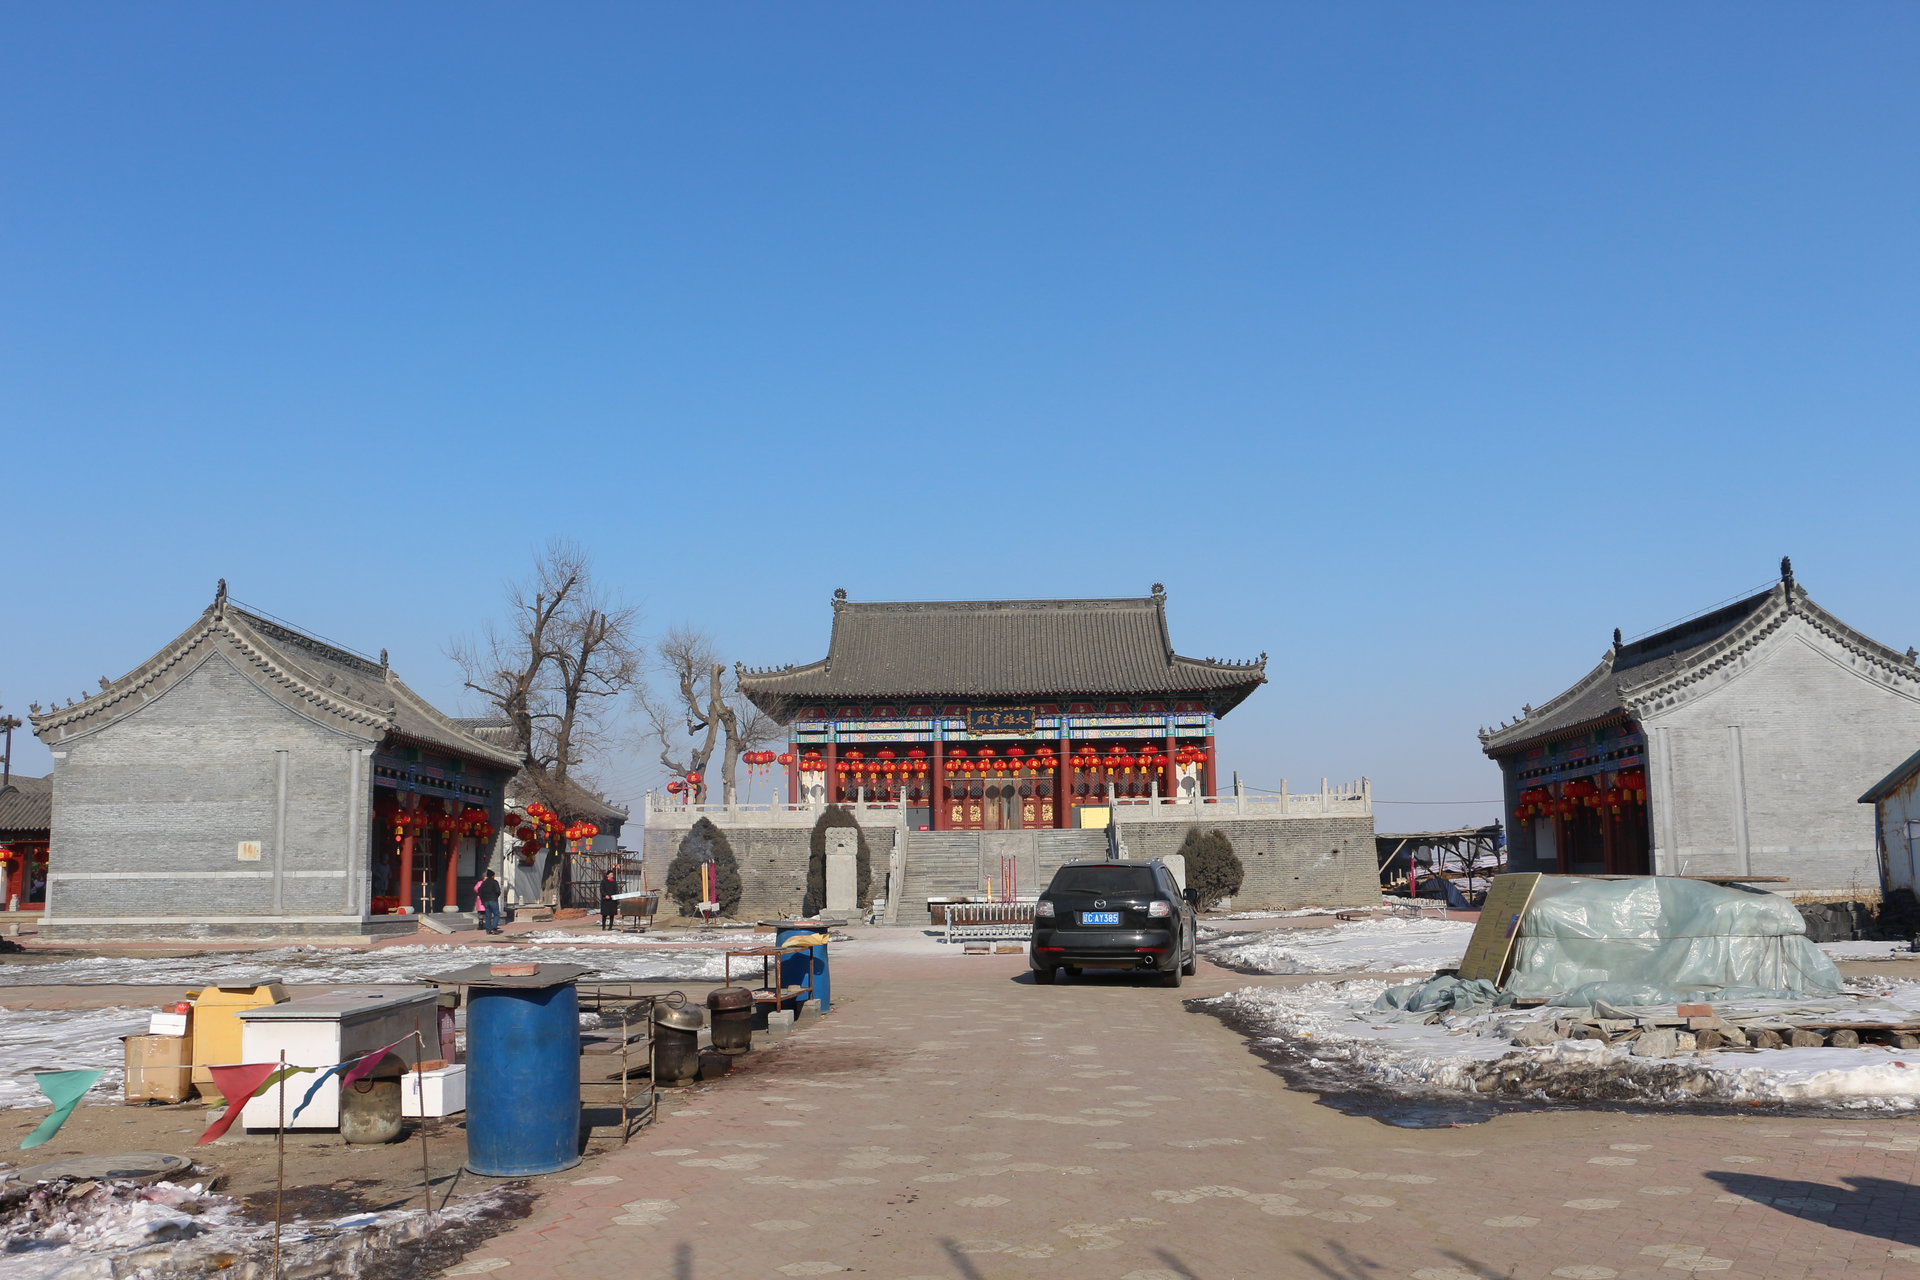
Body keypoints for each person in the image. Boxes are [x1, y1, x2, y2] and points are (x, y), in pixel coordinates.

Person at [475, 869, 503, 935]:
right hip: (493, 900)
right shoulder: (494, 882)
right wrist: (495, 897)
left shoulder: (483, 883)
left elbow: (479, 891)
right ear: (492, 876)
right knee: (496, 914)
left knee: (488, 916)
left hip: (486, 901)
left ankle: (488, 929)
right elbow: (498, 891)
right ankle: (494, 928)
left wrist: (483, 899)